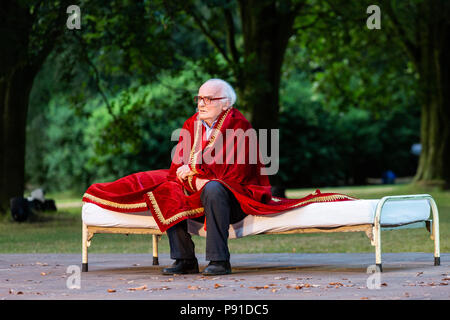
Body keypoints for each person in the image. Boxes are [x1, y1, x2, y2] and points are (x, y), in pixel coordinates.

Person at [82, 78, 355, 277]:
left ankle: (219, 261)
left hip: (235, 199)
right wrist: (192, 177)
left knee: (213, 188)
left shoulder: (239, 126)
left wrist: (197, 176)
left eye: (207, 99)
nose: (201, 103)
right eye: (199, 98)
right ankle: (184, 259)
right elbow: (177, 167)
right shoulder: (192, 124)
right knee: (167, 188)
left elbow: (233, 175)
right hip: (198, 195)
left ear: (225, 103)